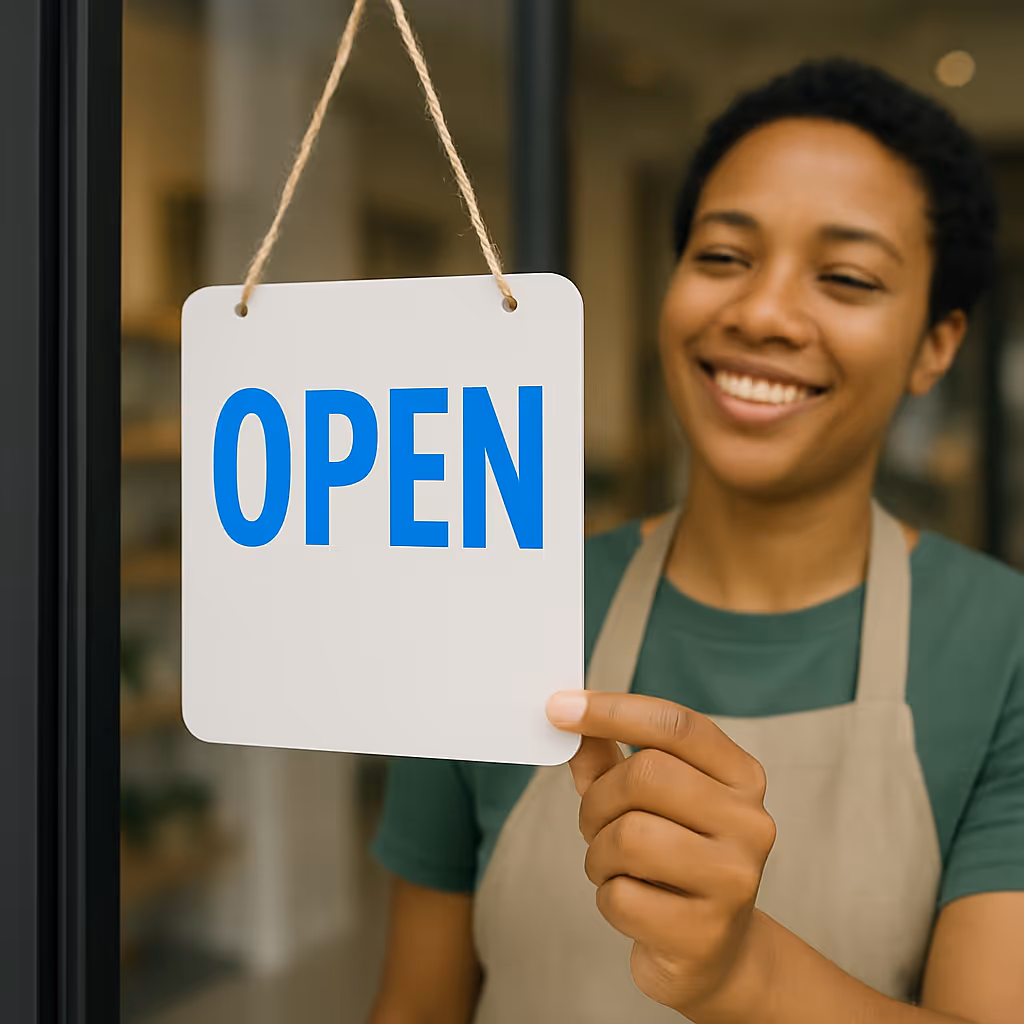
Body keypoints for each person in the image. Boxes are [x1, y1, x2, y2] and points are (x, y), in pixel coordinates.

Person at [368, 58, 1024, 1024]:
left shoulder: (1002, 645)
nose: (759, 312)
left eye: (845, 277)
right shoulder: (493, 602)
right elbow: (413, 1008)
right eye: (722, 256)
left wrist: (742, 974)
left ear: (936, 345)